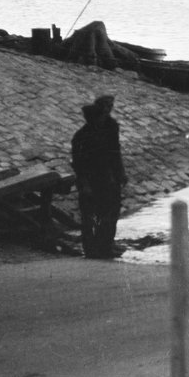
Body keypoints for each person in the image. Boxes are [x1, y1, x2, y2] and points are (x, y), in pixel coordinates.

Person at [70, 94, 128, 259]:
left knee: (109, 214)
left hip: (108, 178)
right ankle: (92, 249)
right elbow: (79, 165)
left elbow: (115, 152)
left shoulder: (110, 128)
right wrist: (85, 184)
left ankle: (105, 245)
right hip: (93, 179)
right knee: (90, 216)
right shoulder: (82, 137)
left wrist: (120, 173)